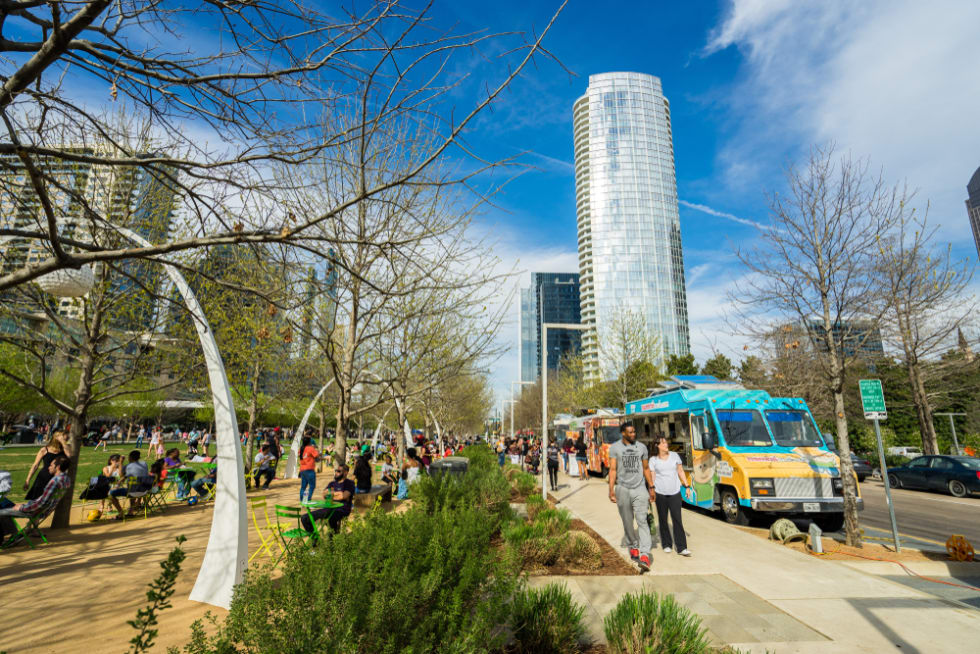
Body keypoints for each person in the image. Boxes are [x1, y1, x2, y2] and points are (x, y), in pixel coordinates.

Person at [608, 422, 655, 572]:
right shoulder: (615, 448)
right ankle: (633, 544)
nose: (634, 434)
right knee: (627, 522)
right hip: (622, 488)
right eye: (630, 432)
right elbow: (613, 470)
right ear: (623, 433)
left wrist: (651, 487)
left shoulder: (642, 447)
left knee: (642, 521)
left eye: (634, 432)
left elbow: (646, 468)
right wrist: (611, 489)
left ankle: (645, 555)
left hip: (640, 488)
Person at [0, 455, 71, 546]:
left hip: (35, 511)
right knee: (4, 502)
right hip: (43, 510)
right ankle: (15, 536)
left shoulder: (54, 481)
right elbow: (43, 501)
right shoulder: (66, 479)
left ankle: (14, 536)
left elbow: (42, 503)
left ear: (57, 467)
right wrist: (26, 504)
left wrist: (22, 507)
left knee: (1, 512)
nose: (48, 467)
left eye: (51, 465)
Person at [649, 434, 692, 556]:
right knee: (663, 520)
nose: (666, 444)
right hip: (660, 493)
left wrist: (687, 486)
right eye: (663, 443)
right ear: (657, 446)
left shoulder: (674, 456)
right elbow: (652, 477)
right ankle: (667, 544)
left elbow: (680, 471)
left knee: (677, 519)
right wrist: (651, 491)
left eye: (666, 442)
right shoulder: (653, 460)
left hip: (675, 493)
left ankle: (682, 547)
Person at [301, 463, 355, 534]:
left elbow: (344, 496)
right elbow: (324, 495)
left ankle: (332, 541)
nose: (336, 473)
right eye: (336, 471)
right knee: (304, 518)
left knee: (331, 519)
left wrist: (332, 494)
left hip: (342, 509)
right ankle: (315, 540)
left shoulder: (349, 483)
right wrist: (337, 493)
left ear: (346, 473)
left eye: (339, 471)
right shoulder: (332, 483)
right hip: (328, 508)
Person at [23, 431, 71, 500]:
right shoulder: (44, 450)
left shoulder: (65, 449)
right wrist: (27, 480)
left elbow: (69, 456)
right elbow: (35, 466)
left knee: (51, 501)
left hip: (57, 480)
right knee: (36, 500)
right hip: (43, 478)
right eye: (64, 437)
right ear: (57, 438)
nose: (66, 438)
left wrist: (63, 442)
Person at [108, 450, 151, 518]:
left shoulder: (128, 466)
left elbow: (121, 475)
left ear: (130, 458)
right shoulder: (144, 464)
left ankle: (121, 513)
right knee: (133, 487)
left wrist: (121, 463)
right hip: (145, 491)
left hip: (132, 492)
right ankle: (131, 511)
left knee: (111, 494)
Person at [298, 436, 319, 503]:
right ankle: (307, 501)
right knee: (312, 486)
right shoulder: (310, 448)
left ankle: (302, 501)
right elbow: (316, 456)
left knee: (303, 487)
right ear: (309, 442)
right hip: (309, 469)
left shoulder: (301, 448)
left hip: (302, 470)